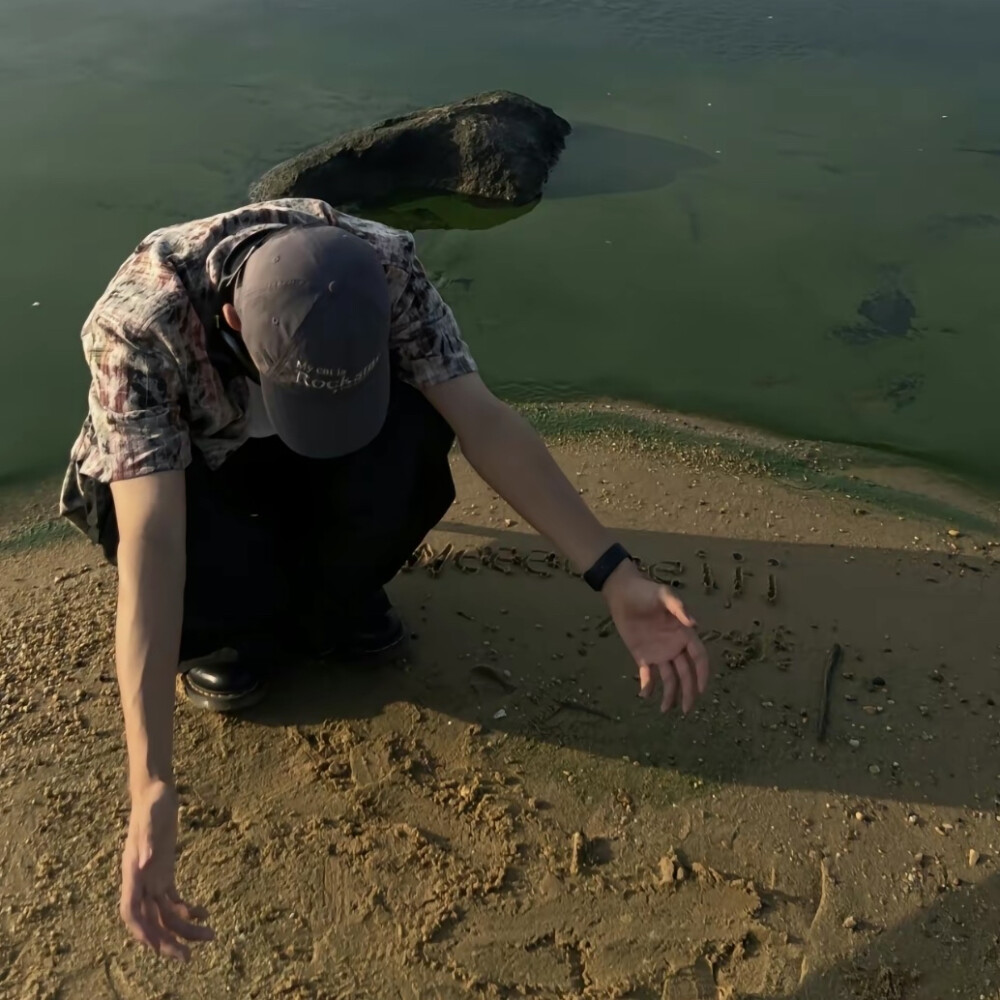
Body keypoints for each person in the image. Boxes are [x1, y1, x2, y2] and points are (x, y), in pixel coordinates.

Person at [60, 198, 710, 961]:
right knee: (193, 561)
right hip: (192, 475)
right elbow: (153, 541)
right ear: (235, 322)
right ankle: (232, 636)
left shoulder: (384, 267)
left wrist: (613, 575)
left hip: (307, 458)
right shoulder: (139, 327)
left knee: (417, 431)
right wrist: (151, 784)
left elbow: (484, 420)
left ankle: (332, 597)